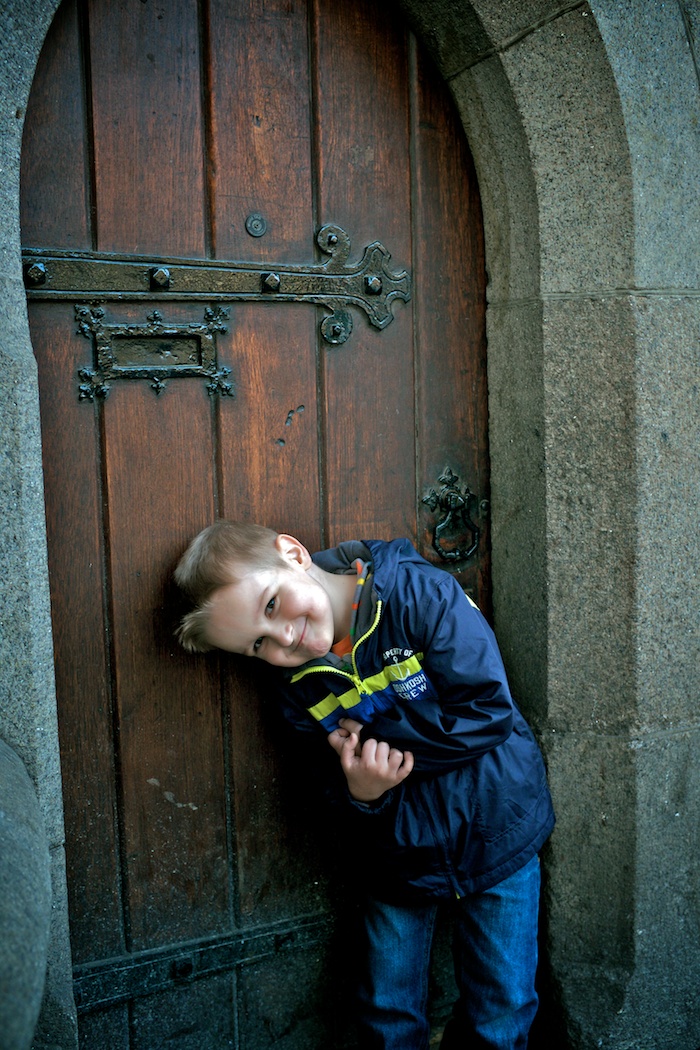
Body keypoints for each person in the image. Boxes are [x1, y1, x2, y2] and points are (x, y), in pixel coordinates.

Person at [174, 520, 555, 1050]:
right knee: (386, 1010)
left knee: (503, 1006)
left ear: (293, 553)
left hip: (498, 828)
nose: (284, 638)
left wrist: (385, 734)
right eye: (258, 645)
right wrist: (363, 794)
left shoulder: (415, 595)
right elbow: (321, 787)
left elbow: (487, 710)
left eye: (270, 606)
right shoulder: (297, 688)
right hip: (394, 855)